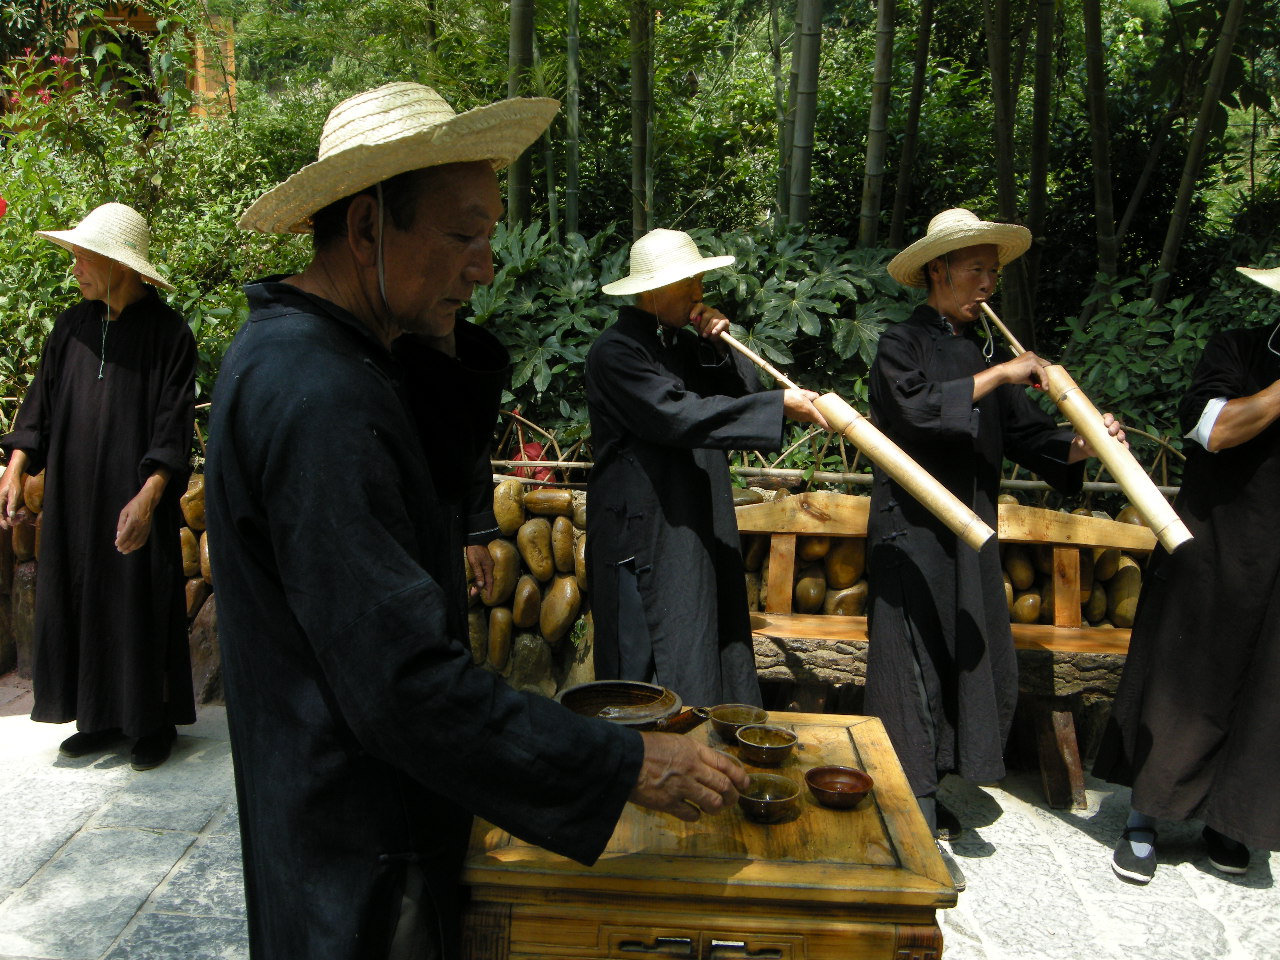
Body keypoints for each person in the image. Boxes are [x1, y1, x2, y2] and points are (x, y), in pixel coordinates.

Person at [206, 82, 748, 960]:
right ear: (368, 227)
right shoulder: (318, 396)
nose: (485, 267)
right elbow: (403, 685)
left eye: (489, 235)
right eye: (464, 235)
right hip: (360, 852)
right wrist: (624, 763)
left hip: (353, 813)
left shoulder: (334, 356)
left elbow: (438, 451)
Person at [866, 209, 1124, 886]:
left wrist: (1086, 442)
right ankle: (911, 806)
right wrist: (1006, 373)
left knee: (963, 654)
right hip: (912, 531)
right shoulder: (901, 342)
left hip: (971, 532)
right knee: (913, 662)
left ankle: (933, 786)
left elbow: (1032, 439)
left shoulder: (983, 355)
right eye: (976, 269)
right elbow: (916, 409)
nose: (987, 283)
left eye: (993, 271)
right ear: (938, 270)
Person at [585, 228, 828, 709]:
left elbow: (740, 397)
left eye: (699, 280)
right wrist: (779, 406)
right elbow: (676, 415)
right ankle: (641, 754)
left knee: (704, 642)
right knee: (643, 662)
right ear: (655, 290)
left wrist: (721, 346)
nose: (700, 292)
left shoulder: (681, 345)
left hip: (694, 522)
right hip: (642, 534)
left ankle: (702, 744)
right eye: (689, 283)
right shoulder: (615, 352)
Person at [1094, 264, 1280, 884]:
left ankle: (1232, 823)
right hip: (1215, 544)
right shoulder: (1239, 350)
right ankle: (1144, 819)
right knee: (1185, 681)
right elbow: (1214, 430)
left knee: (1268, 692)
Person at [0, 202, 196, 771]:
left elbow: (173, 427)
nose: (76, 267)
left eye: (86, 257)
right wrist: (16, 466)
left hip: (133, 496)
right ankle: (97, 717)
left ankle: (152, 723)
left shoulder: (169, 335)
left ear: (121, 265)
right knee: (80, 597)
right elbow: (37, 409)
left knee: (138, 603)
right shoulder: (70, 328)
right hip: (72, 501)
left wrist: (149, 495)